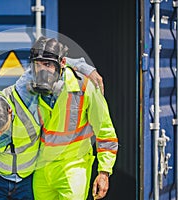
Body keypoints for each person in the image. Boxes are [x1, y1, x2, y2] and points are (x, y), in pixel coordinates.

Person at [0, 44, 105, 199]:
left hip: (27, 180)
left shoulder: (22, 95)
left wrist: (84, 67)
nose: (0, 134)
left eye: (3, 129)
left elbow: (48, 62)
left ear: (10, 111)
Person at [20, 36, 118, 200]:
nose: (42, 70)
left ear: (62, 64)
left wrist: (104, 172)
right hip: (42, 168)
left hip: (74, 167)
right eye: (38, 65)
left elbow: (105, 130)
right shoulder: (28, 89)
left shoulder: (84, 87)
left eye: (48, 65)